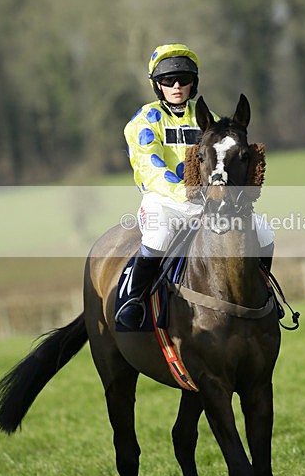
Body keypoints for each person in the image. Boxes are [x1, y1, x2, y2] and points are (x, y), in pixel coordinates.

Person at [117, 43, 274, 331]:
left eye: (184, 80)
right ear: (157, 85)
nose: (177, 86)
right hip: (162, 201)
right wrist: (188, 193)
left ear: (194, 83)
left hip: (209, 200)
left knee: (264, 232)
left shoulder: (206, 118)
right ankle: (132, 302)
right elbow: (151, 169)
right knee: (159, 235)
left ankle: (262, 295)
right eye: (168, 80)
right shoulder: (142, 122)